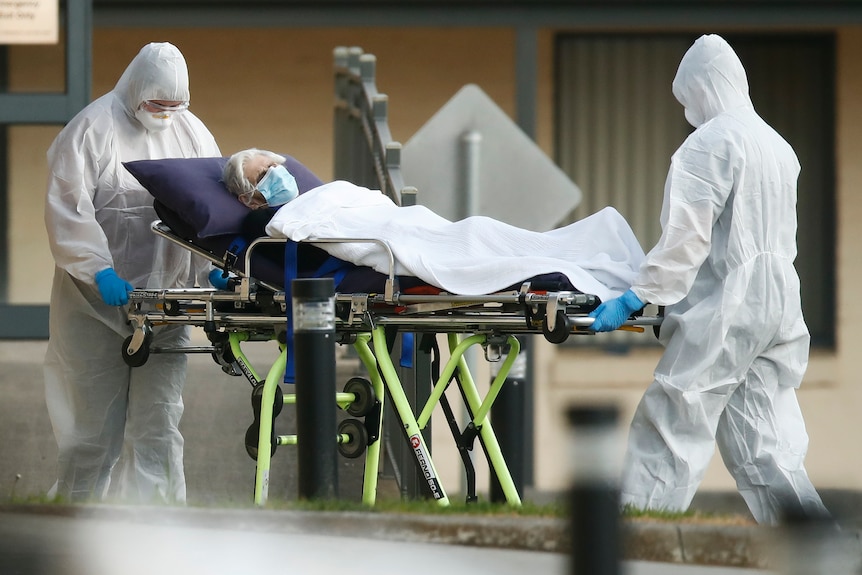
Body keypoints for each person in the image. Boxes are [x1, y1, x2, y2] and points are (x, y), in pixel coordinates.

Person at [588, 34, 829, 524]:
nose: (688, 111)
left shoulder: (710, 144)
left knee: (674, 423)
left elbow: (686, 240)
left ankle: (634, 545)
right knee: (767, 444)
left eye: (688, 98)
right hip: (779, 304)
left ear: (703, 86)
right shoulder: (778, 146)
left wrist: (638, 295)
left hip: (729, 306)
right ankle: (825, 554)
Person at [43, 42, 221, 503]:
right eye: (158, 104)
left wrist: (214, 269)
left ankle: (155, 536)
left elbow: (208, 212)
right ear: (136, 89)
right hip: (94, 306)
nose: (165, 114)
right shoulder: (91, 129)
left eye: (174, 106)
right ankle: (73, 529)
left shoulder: (192, 133)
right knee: (90, 431)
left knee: (158, 426)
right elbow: (68, 211)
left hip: (167, 305)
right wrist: (98, 271)